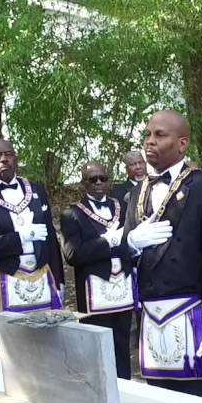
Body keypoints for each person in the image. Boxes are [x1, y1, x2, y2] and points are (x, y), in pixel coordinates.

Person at [121, 110, 202, 401]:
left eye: (160, 135)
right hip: (154, 321)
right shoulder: (137, 193)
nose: (150, 141)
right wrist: (132, 243)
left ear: (182, 143)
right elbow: (125, 256)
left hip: (197, 320)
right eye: (148, 134)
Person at [0, 138, 65, 357]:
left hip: (43, 281)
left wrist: (59, 279)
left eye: (9, 154)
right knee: (10, 353)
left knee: (47, 347)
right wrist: (19, 239)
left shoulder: (37, 190)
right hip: (2, 282)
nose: (4, 159)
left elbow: (51, 240)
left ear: (16, 158)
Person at [60, 162, 135, 379]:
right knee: (100, 344)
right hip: (95, 290)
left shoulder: (122, 207)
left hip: (123, 285)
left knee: (123, 343)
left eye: (103, 178)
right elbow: (72, 255)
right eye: (93, 179)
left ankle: (126, 386)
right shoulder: (72, 214)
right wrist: (106, 242)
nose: (99, 183)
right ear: (84, 182)